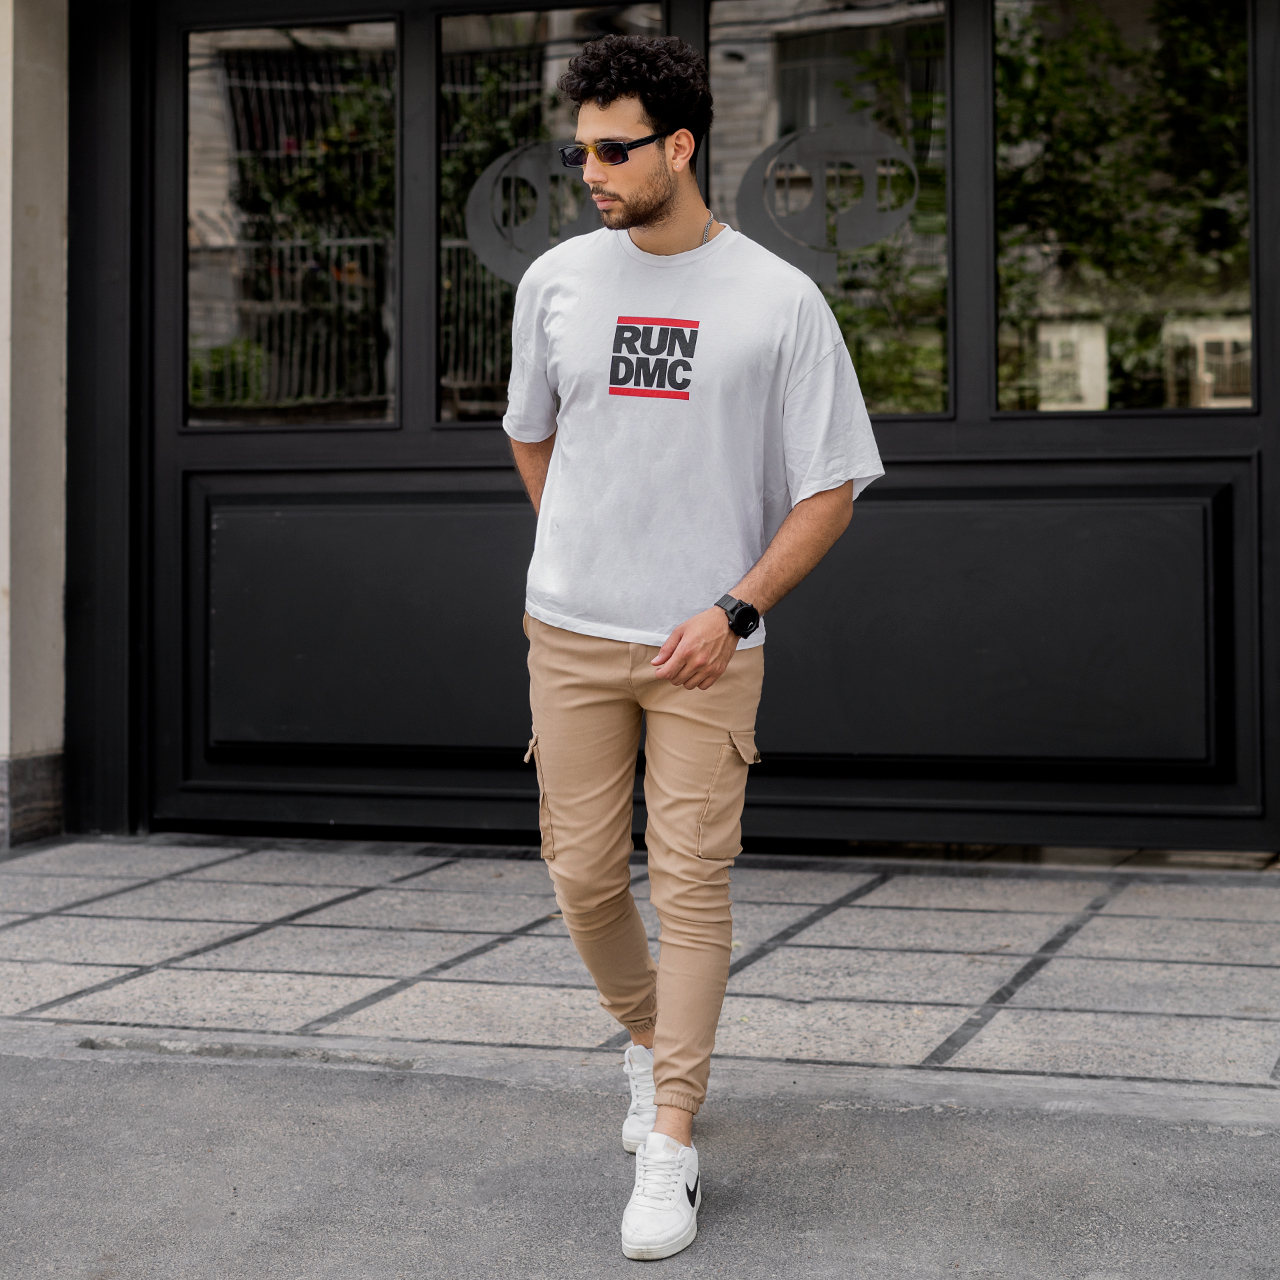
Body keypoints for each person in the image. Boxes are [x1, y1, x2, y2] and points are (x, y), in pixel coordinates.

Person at [503, 33, 883, 1261]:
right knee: (579, 875)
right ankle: (648, 1035)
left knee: (691, 881)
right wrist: (579, 543)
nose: (591, 172)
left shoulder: (776, 299)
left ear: (678, 146)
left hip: (708, 646)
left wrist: (732, 609)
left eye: (614, 151)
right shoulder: (555, 281)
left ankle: (668, 1137)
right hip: (569, 632)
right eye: (580, 151)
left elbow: (829, 486)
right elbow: (529, 432)